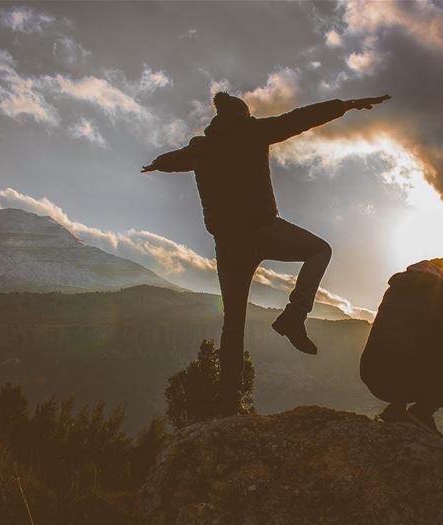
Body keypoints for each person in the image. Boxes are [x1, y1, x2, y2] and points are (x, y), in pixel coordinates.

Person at [142, 91, 390, 415]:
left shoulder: (200, 149)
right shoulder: (253, 132)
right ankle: (294, 316)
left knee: (233, 323)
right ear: (243, 115)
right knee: (319, 250)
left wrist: (155, 164)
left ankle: (229, 401)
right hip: (263, 230)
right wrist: (345, 105)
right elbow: (301, 118)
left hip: (228, 245)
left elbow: (173, 161)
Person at [360, 258, 443, 438]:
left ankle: (396, 408)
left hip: (372, 375)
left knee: (408, 346)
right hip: (405, 378)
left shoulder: (395, 288)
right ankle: (420, 413)